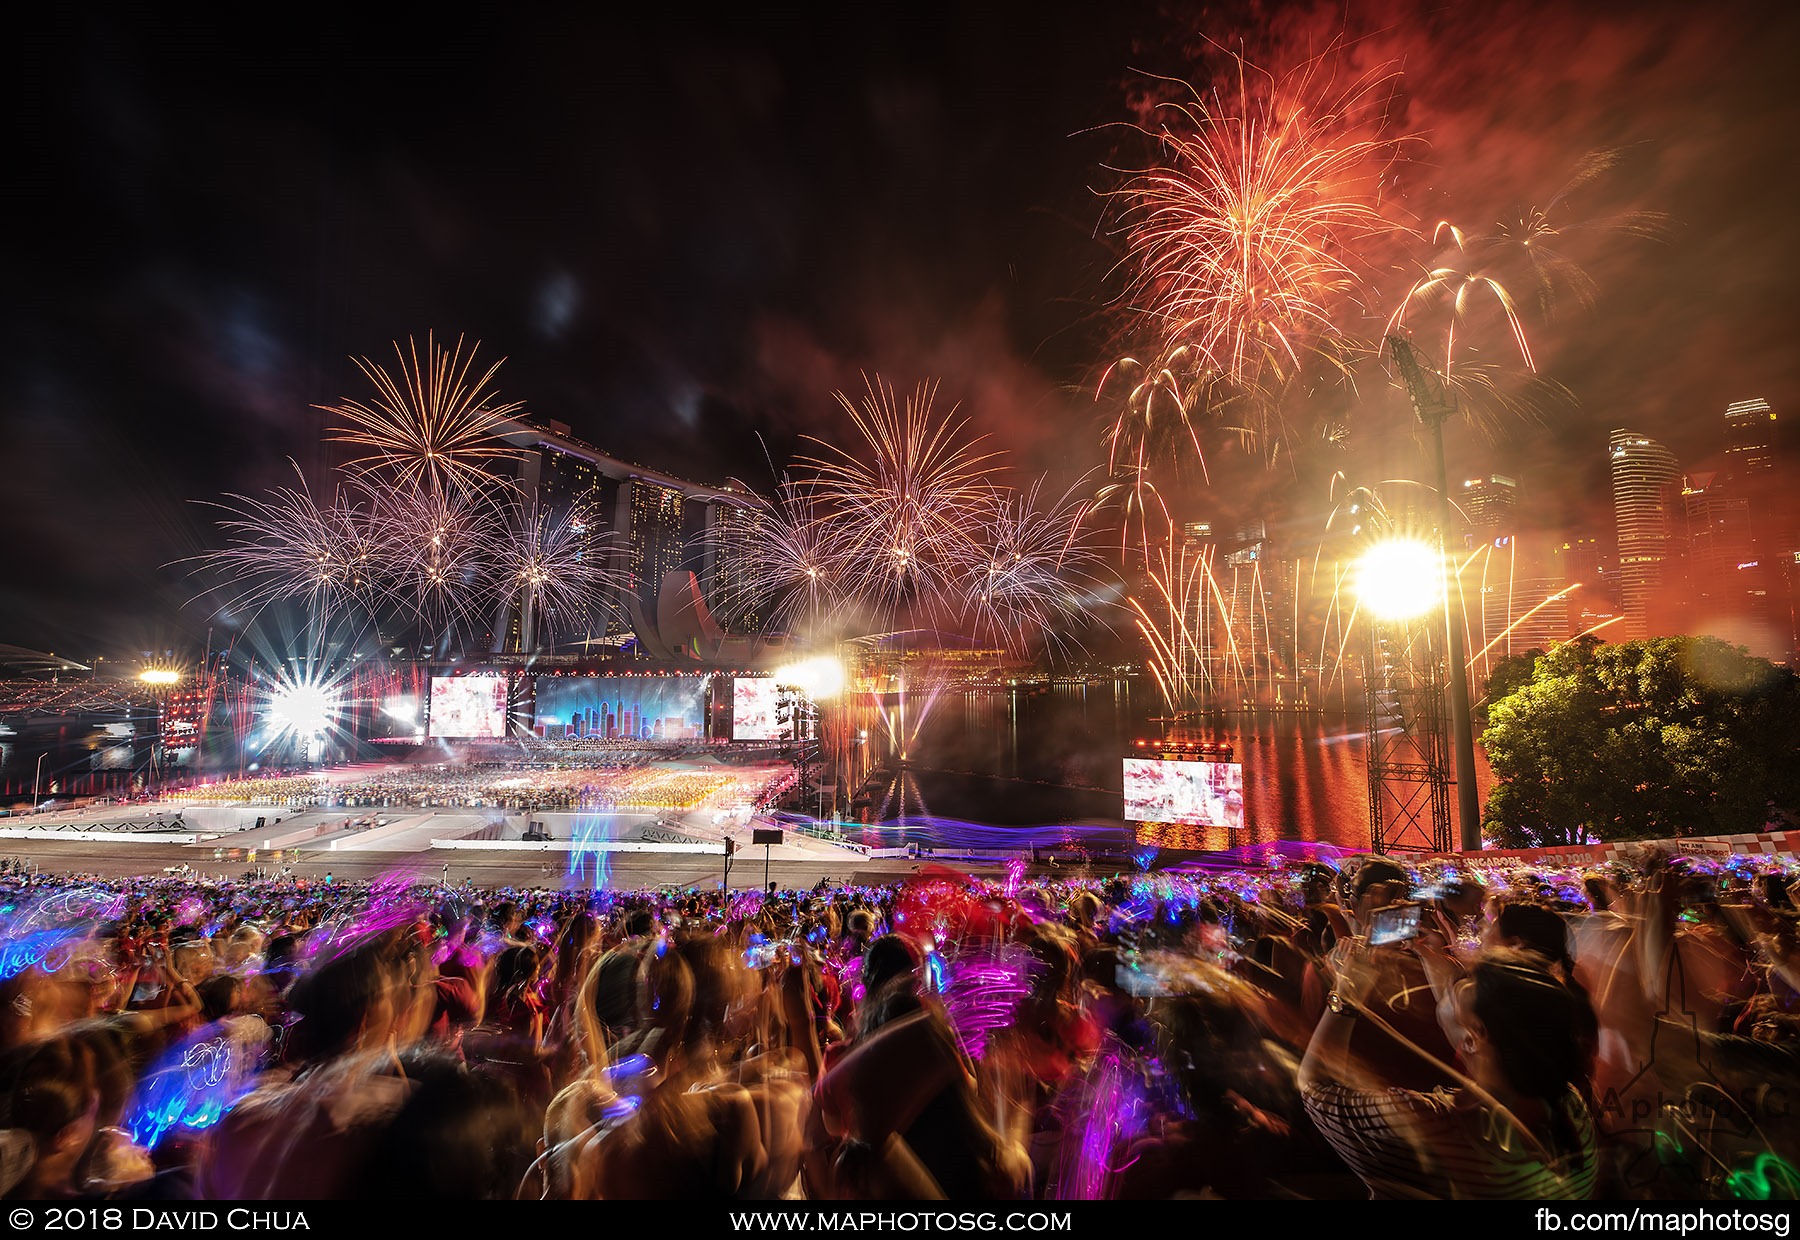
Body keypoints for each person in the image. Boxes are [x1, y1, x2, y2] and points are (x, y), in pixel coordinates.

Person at [1300, 945, 1599, 1199]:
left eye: (1453, 1008)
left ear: (1472, 1039)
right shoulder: (1569, 1105)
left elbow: (1313, 1087)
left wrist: (1345, 996)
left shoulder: (1430, 1122)